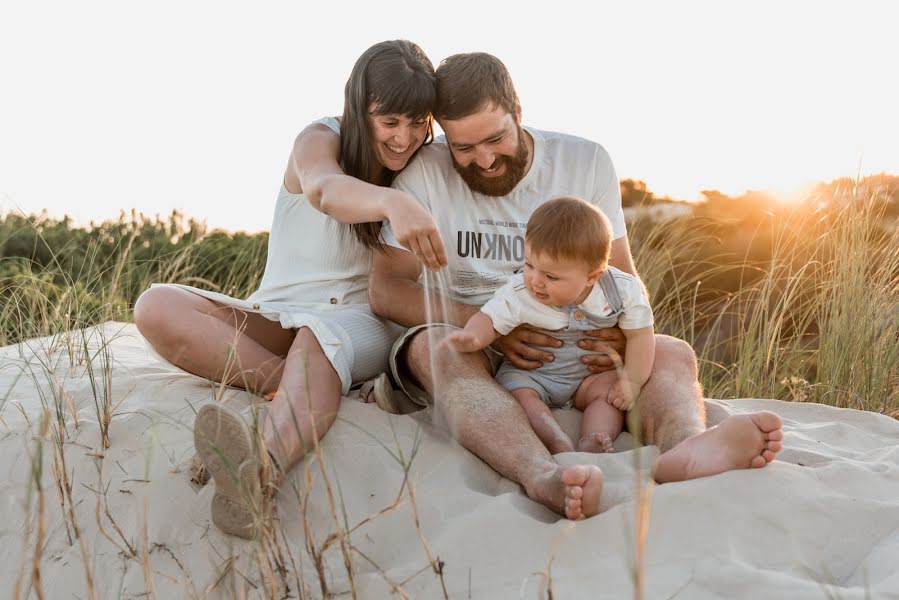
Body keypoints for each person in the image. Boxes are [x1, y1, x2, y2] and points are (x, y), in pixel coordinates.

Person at [368, 52, 784, 520]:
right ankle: (542, 476)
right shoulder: (423, 174)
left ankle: (688, 449)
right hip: (481, 347)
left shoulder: (584, 161)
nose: (483, 159)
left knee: (671, 352)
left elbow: (621, 277)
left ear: (517, 110)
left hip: (580, 345)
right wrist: (490, 328)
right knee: (435, 350)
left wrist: (615, 335)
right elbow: (386, 289)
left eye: (495, 138)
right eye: (463, 148)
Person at [133, 40, 447, 539]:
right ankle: (291, 386)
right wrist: (393, 204)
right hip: (279, 312)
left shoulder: (422, 168)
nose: (405, 138)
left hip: (357, 323)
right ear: (359, 108)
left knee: (317, 339)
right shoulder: (320, 139)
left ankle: (259, 473)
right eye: (391, 122)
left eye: (417, 123)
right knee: (156, 304)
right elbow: (323, 189)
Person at [444, 196, 655, 455]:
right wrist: (473, 336)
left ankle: (594, 438)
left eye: (551, 276)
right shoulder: (520, 292)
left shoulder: (622, 291)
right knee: (520, 395)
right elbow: (488, 317)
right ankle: (554, 438)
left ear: (592, 276)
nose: (536, 281)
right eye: (529, 265)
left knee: (609, 395)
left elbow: (641, 335)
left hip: (587, 378)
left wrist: (632, 381)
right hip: (534, 375)